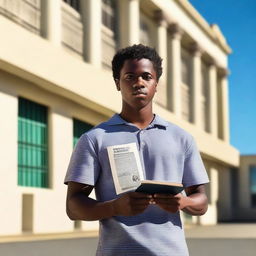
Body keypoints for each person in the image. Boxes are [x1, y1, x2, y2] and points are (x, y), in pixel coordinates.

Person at [64, 44, 209, 256]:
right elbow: (73, 206)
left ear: (156, 84)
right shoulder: (94, 139)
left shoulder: (182, 138)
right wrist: (113, 207)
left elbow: (201, 201)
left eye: (146, 77)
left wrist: (183, 202)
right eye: (130, 77)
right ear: (117, 83)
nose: (138, 83)